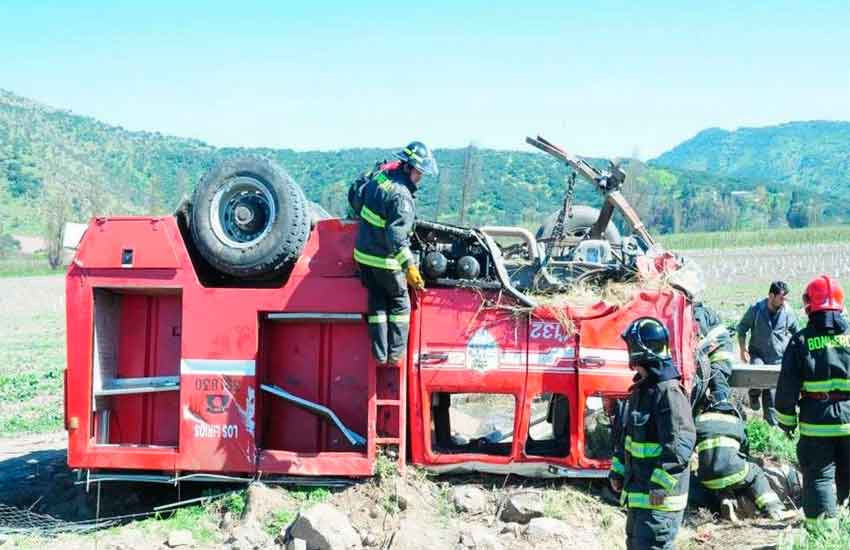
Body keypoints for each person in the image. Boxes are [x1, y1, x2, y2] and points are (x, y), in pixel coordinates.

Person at [348, 142, 438, 366]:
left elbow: (358, 199)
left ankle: (379, 354)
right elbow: (397, 238)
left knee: (377, 299)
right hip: (384, 261)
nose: (421, 178)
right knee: (399, 302)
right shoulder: (403, 197)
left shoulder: (380, 178)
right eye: (420, 172)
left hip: (362, 255)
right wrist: (410, 268)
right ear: (409, 168)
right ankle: (395, 355)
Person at [609, 317, 696, 550]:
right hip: (639, 497)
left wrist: (659, 485)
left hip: (660, 502)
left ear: (641, 351)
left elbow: (680, 444)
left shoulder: (668, 392)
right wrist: (618, 472)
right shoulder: (642, 390)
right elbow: (627, 439)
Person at [776, 275, 850, 533]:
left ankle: (822, 535)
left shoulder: (800, 340)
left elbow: (786, 388)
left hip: (816, 423)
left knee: (819, 477)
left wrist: (787, 422)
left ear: (810, 304)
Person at [691, 399, 786, 521]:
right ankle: (773, 509)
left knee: (713, 481)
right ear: (732, 411)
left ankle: (725, 501)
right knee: (755, 471)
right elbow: (745, 451)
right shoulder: (737, 422)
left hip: (708, 478)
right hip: (735, 473)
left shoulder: (699, 421)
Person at [737, 281, 800, 425]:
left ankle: (771, 426)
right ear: (771, 295)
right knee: (757, 377)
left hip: (777, 358)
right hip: (758, 354)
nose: (784, 301)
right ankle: (753, 394)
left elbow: (797, 333)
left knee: (771, 394)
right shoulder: (756, 309)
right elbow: (742, 328)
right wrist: (742, 349)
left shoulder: (788, 312)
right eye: (781, 298)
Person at [694, 302, 735, 403]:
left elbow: (698, 338)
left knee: (716, 376)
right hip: (716, 351)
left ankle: (723, 405)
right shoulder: (702, 311)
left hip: (720, 354)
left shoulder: (697, 314)